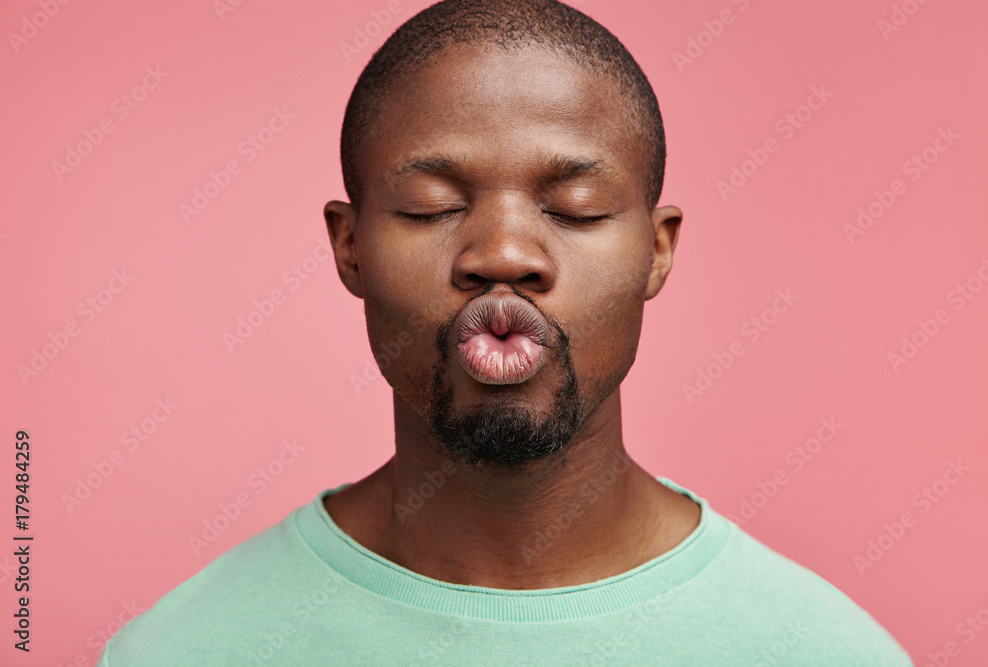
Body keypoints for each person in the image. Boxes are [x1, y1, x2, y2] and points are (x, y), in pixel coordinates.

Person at [99, 0, 913, 664]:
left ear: (656, 252)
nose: (504, 255)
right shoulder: (183, 649)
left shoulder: (823, 650)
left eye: (575, 209)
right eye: (431, 206)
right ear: (350, 247)